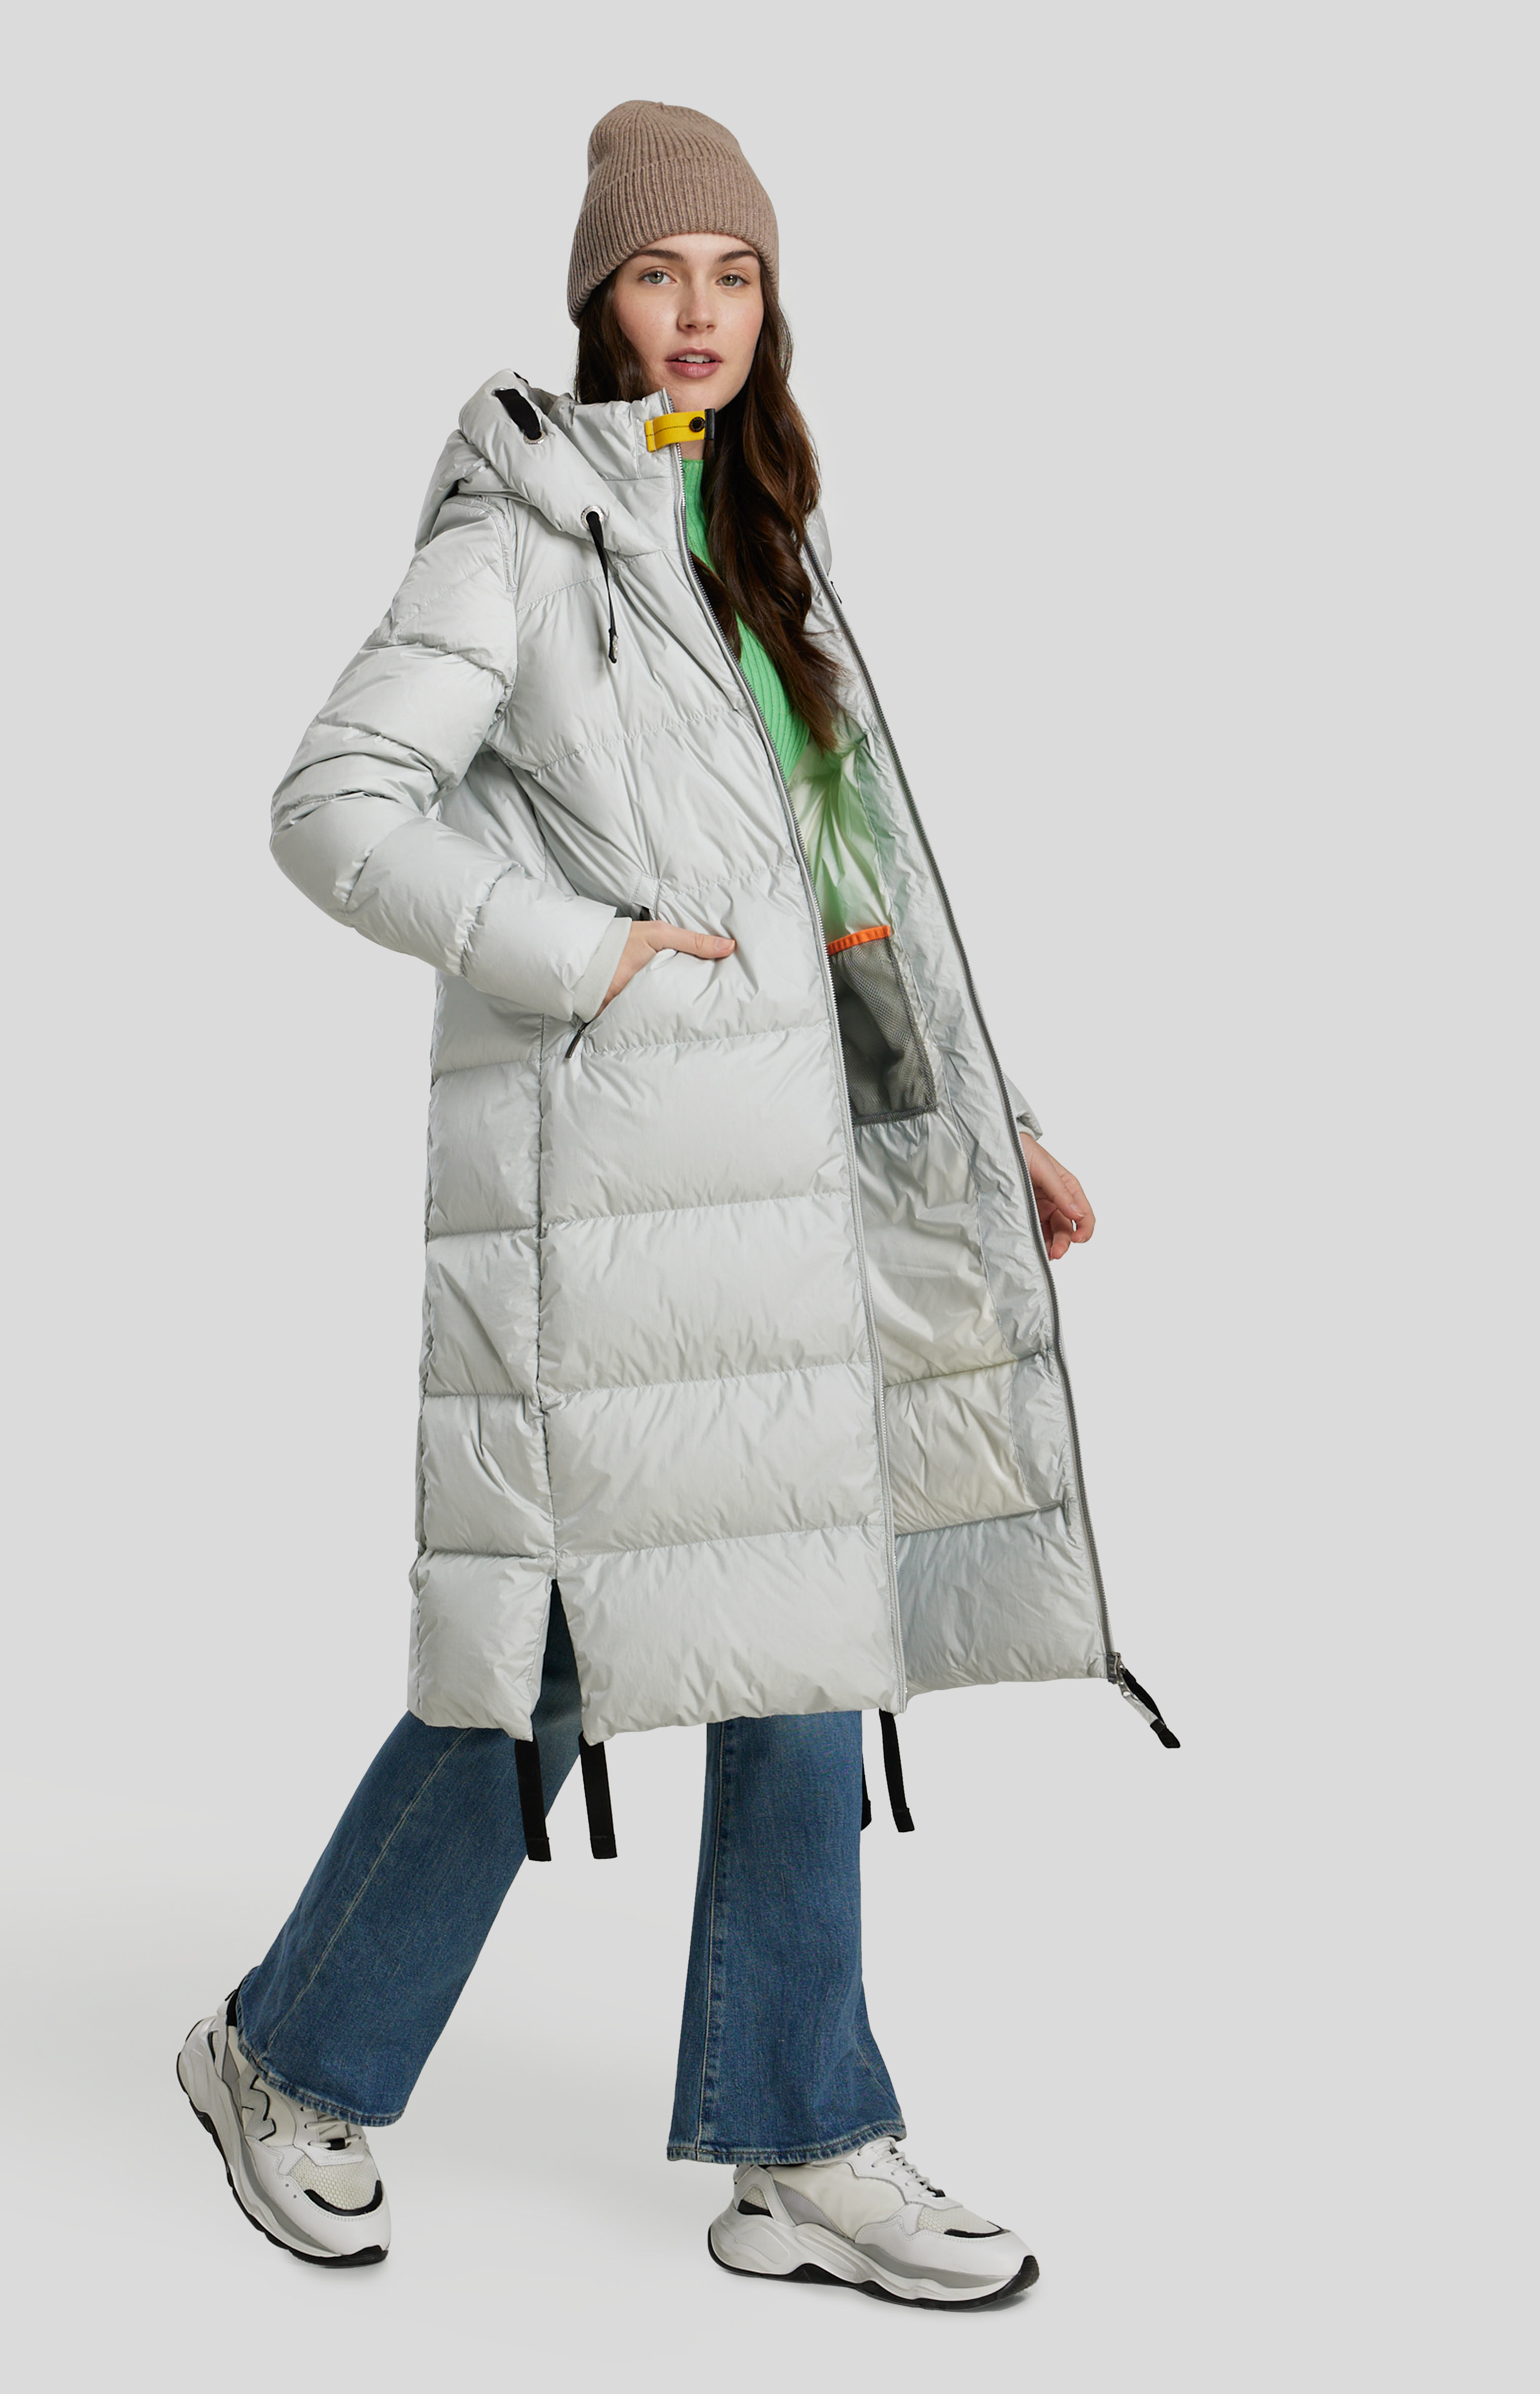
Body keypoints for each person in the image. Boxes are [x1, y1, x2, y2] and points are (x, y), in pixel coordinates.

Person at [180, 99, 1172, 2309]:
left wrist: (988, 1119)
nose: (699, 311)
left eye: (733, 274)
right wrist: (585, 953)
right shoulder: (524, 532)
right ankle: (281, 2056)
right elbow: (333, 804)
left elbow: (852, 884)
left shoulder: (763, 535)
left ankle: (801, 2142)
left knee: (803, 1640)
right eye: (660, 274)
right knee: (548, 1665)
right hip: (616, 1206)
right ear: (599, 299)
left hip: (794, 1198)